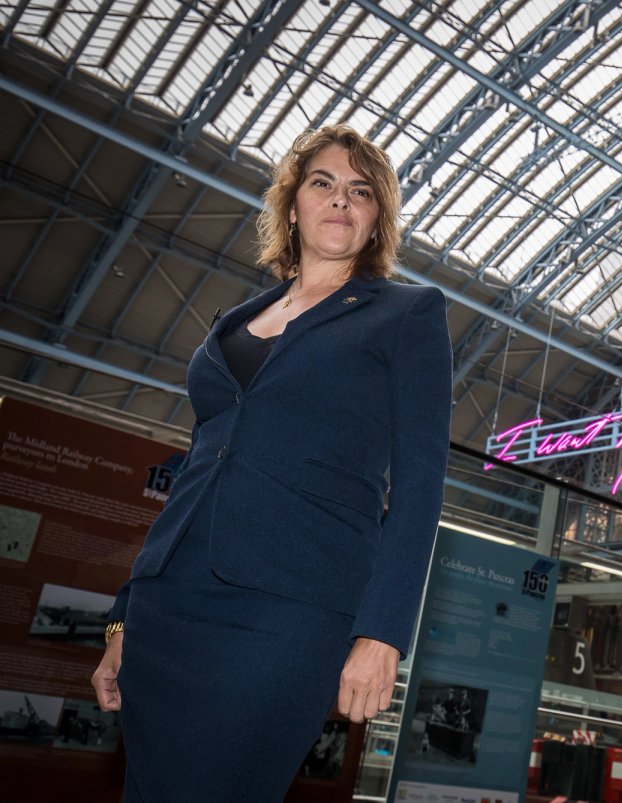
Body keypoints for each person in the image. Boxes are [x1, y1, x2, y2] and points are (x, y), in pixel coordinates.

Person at [89, 125, 451, 802]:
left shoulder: (407, 314)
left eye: (361, 191)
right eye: (322, 183)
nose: (340, 199)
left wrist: (382, 632)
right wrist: (124, 616)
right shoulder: (232, 321)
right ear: (292, 205)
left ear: (377, 219)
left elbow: (421, 484)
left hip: (288, 611)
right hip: (169, 603)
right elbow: (198, 470)